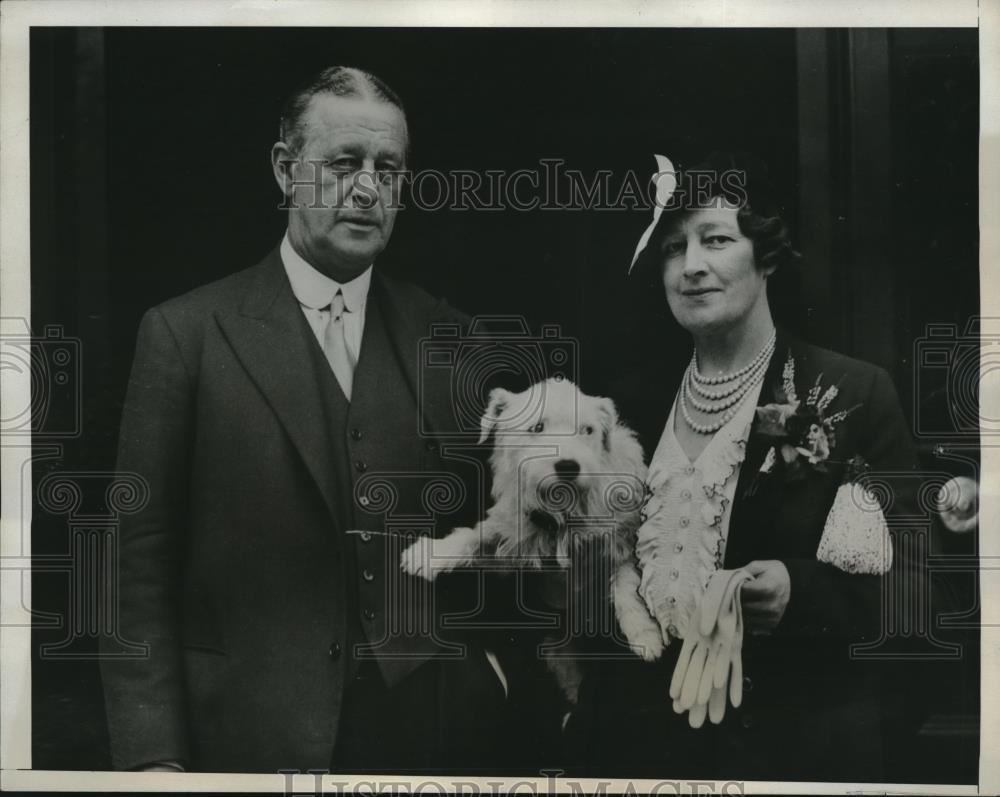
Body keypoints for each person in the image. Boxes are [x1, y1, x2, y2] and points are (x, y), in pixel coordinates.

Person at [100, 66, 521, 774]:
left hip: (422, 742)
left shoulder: (445, 334)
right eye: (343, 163)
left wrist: (494, 672)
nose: (366, 188)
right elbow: (134, 567)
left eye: (388, 169)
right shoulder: (186, 334)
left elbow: (512, 522)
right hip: (245, 738)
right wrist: (151, 758)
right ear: (285, 169)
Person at [565, 151, 924, 782]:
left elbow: (927, 592)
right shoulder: (628, 408)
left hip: (787, 755)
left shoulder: (853, 393)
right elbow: (587, 575)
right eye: (674, 248)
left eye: (717, 240)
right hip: (636, 753)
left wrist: (801, 594)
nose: (692, 266)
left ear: (767, 256)